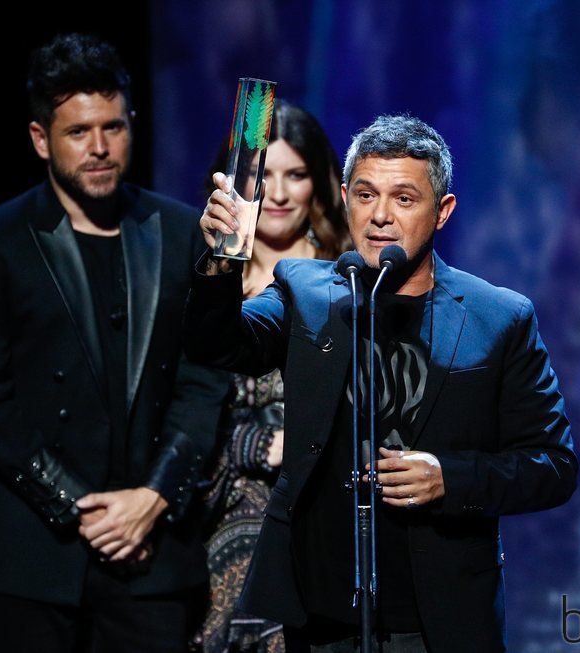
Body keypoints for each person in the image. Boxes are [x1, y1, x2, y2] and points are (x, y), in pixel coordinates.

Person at [185, 113, 578, 652]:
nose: (380, 217)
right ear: (345, 197)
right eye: (366, 195)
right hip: (321, 617)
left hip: (436, 620)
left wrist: (450, 478)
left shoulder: (499, 317)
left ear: (443, 211)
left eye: (404, 199)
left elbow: (553, 465)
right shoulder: (307, 290)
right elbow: (220, 345)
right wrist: (222, 262)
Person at [0, 33, 227, 653]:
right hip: (29, 558)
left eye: (114, 127)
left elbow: (205, 375)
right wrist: (83, 509)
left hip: (149, 554)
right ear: (41, 138)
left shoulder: (179, 229)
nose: (100, 148)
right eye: (79, 132)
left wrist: (153, 497)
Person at [197, 101, 350, 653]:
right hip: (221, 515)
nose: (280, 194)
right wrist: (261, 445)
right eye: (265, 176)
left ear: (321, 181)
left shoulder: (348, 275)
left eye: (297, 175)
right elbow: (183, 402)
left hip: (321, 513)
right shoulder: (210, 276)